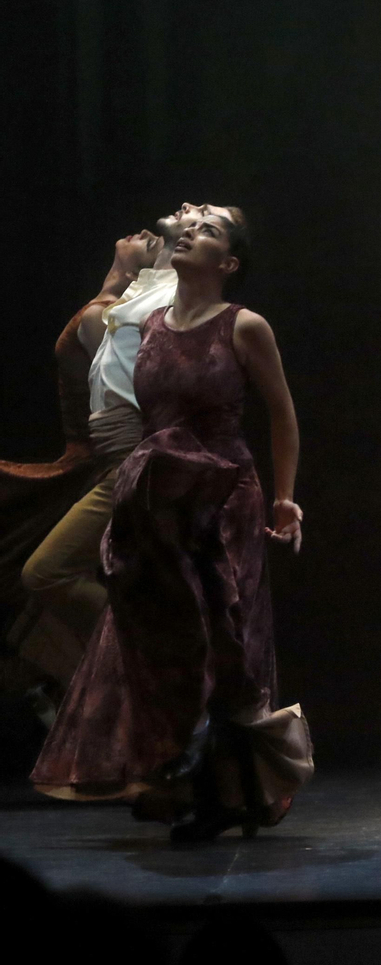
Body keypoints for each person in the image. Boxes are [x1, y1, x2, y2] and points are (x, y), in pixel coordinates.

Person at [31, 207, 313, 842]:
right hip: (158, 497)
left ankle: (230, 791)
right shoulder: (152, 324)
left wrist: (285, 498)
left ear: (228, 263)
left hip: (223, 496)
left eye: (208, 231)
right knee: (172, 635)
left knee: (226, 639)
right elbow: (91, 355)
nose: (190, 232)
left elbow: (282, 414)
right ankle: (184, 782)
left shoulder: (244, 325)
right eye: (191, 226)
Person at [7, 210, 217, 709]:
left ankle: (160, 656)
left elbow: (108, 343)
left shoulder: (169, 299)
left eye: (207, 221)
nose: (187, 213)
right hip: (106, 459)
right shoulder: (143, 292)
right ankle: (97, 692)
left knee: (47, 573)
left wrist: (115, 279)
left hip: (136, 458)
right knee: (55, 590)